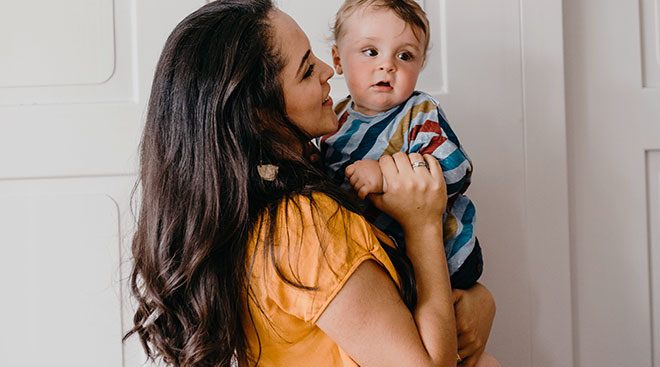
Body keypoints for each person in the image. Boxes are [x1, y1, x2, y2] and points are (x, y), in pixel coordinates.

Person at [124, 1, 496, 366]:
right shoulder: (305, 225)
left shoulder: (263, 202)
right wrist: (423, 225)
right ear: (261, 114)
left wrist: (479, 301)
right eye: (305, 70)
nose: (327, 70)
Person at [320, 0, 483, 291]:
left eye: (405, 56)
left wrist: (385, 175)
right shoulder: (334, 119)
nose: (387, 65)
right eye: (370, 52)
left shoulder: (419, 112)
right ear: (337, 60)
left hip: (446, 256)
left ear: (420, 65)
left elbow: (457, 170)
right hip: (378, 254)